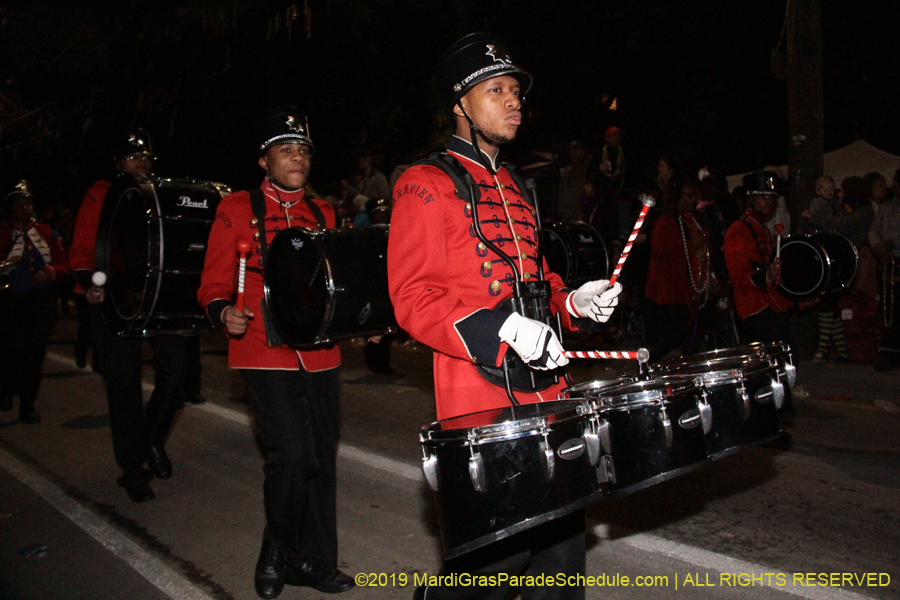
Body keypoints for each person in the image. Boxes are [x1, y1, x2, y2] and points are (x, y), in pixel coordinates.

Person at [388, 33, 622, 600]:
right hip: (481, 396)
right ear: (460, 104)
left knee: (562, 562)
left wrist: (573, 302)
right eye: (496, 90)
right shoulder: (425, 183)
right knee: (494, 568)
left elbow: (534, 279)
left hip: (551, 393)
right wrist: (500, 329)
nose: (513, 101)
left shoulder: (518, 184)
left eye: (515, 90)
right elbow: (413, 297)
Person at [197, 107, 354, 600]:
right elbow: (213, 283)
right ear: (263, 161)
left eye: (304, 149)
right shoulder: (235, 207)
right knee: (291, 454)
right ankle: (278, 549)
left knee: (320, 459)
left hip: (320, 351)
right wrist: (224, 312)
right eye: (286, 149)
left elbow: (336, 284)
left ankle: (316, 562)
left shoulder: (324, 212)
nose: (297, 157)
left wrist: (361, 318)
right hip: (261, 346)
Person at [69, 129, 189, 503]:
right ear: (118, 162)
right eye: (134, 157)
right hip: (114, 300)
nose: (142, 163)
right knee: (124, 388)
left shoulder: (158, 195)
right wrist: (90, 281)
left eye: (147, 158)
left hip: (154, 300)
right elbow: (86, 247)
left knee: (178, 369)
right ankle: (132, 470)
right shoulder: (103, 192)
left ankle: (151, 440)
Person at [0, 181, 69, 423]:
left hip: (39, 303)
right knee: (7, 352)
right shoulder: (2, 232)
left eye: (27, 202)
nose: (23, 207)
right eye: (18, 203)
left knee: (34, 355)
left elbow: (63, 265)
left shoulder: (47, 232)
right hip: (8, 302)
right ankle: (5, 391)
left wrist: (49, 272)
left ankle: (27, 404)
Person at [643, 181, 720, 362]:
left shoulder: (690, 219)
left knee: (690, 333)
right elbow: (663, 251)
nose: (693, 200)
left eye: (695, 196)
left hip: (691, 287)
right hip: (671, 288)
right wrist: (690, 246)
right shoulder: (666, 221)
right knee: (678, 331)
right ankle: (649, 361)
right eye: (689, 196)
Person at [724, 171, 794, 343]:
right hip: (753, 305)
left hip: (772, 303)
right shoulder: (738, 230)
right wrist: (767, 275)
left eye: (772, 197)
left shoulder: (765, 230)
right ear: (750, 199)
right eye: (763, 197)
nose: (769, 202)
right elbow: (738, 275)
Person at [867, 169, 900, 370]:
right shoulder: (886, 208)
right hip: (889, 263)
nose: (893, 186)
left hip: (897, 255)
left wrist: (891, 243)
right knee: (889, 308)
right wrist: (878, 246)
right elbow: (873, 229)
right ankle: (890, 352)